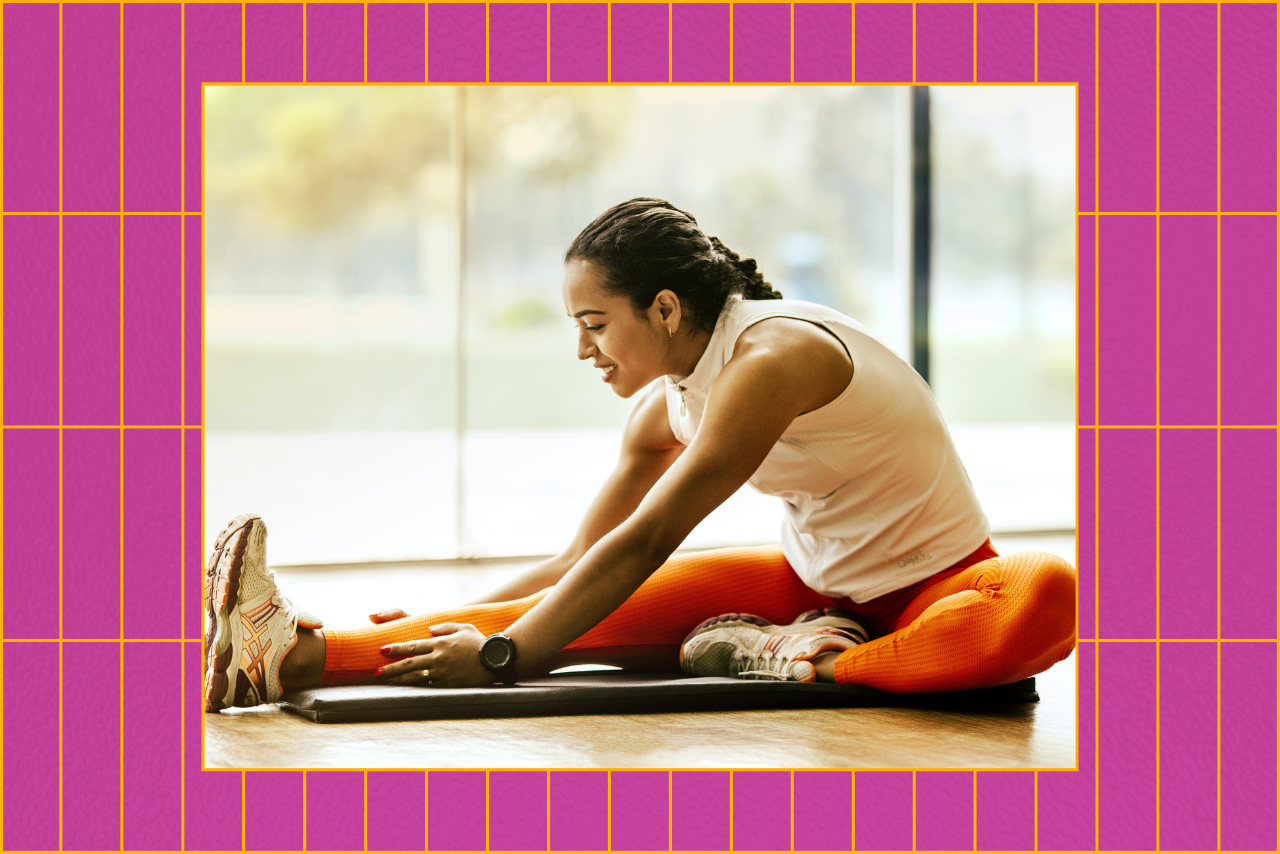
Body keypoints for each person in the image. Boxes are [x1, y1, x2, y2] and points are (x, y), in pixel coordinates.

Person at [203, 198, 1076, 712]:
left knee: (1049, 593)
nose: (584, 351)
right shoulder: (667, 405)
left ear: (663, 308)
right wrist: (436, 622)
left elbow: (650, 537)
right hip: (811, 588)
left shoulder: (773, 361)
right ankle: (280, 655)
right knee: (574, 606)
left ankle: (815, 660)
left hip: (943, 589)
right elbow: (577, 564)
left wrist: (510, 659)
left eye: (594, 325)